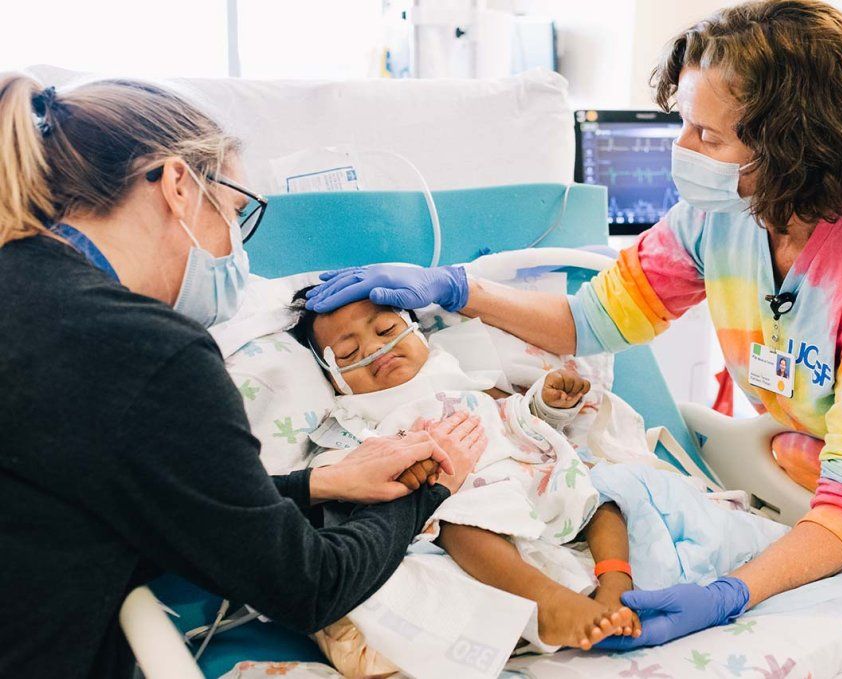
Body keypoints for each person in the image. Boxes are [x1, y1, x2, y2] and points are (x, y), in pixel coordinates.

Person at [304, 0, 842, 649]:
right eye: (684, 122)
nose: (683, 150)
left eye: (707, 134)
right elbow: (590, 319)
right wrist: (459, 289)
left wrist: (730, 593)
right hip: (822, 477)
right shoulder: (723, 215)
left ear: (791, 147)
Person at [0, 75, 486, 678]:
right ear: (178, 184)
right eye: (236, 212)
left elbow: (166, 500)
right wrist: (427, 488)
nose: (237, 248)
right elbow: (307, 585)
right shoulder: (148, 350)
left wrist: (320, 483)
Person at [291, 293, 642, 650]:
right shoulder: (354, 417)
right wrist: (406, 475)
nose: (373, 349)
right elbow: (339, 476)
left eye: (386, 329)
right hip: (467, 496)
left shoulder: (453, 371)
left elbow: (511, 414)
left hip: (523, 468)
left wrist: (548, 405)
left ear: (417, 333)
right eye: (348, 354)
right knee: (460, 527)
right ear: (335, 379)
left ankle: (615, 585)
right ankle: (548, 603)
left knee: (601, 496)